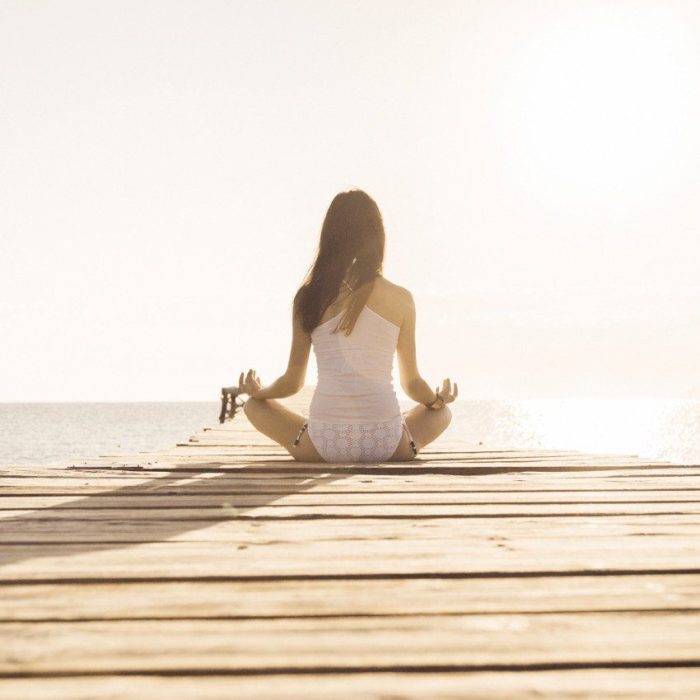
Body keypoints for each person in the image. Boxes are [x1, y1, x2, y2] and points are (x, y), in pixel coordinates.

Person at [237, 189, 457, 462]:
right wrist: (437, 400)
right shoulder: (401, 298)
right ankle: (402, 429)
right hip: (387, 443)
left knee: (253, 407)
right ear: (377, 237)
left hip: (323, 445)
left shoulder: (309, 297)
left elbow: (293, 382)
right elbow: (411, 384)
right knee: (443, 413)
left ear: (329, 238)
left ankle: (308, 437)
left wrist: (261, 392)